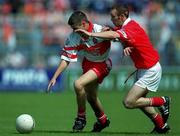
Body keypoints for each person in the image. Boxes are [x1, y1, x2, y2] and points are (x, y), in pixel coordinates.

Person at [76, 4, 171, 134]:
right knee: (140, 102)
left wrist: (91, 33)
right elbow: (119, 35)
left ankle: (162, 101)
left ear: (122, 17)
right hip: (143, 69)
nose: (111, 19)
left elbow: (114, 35)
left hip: (150, 69)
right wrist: (125, 44)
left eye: (113, 17)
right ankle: (161, 126)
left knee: (129, 102)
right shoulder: (125, 26)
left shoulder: (130, 27)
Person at [47, 11, 111, 132]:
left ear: (83, 23)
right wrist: (54, 77)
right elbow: (66, 59)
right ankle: (103, 121)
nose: (73, 31)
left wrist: (127, 46)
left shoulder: (99, 30)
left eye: (75, 28)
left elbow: (118, 36)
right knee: (91, 97)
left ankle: (81, 118)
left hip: (103, 64)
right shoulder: (74, 37)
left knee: (78, 84)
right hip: (88, 64)